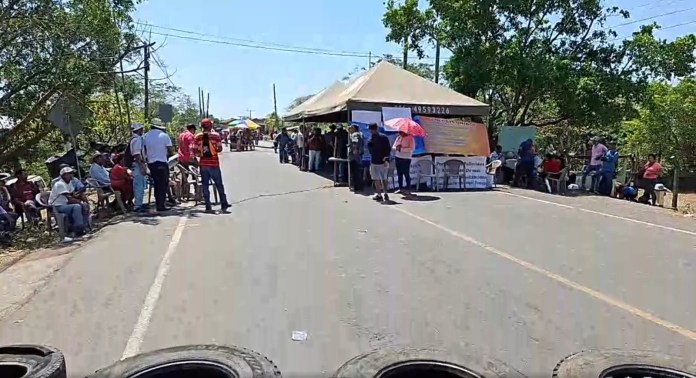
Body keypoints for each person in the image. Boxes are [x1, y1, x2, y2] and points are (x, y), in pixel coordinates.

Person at [195, 118, 230, 213]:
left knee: (205, 185)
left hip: (203, 164)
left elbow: (196, 151)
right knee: (219, 185)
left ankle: (208, 205)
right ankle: (224, 203)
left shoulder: (198, 136)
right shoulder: (215, 136)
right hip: (214, 164)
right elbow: (219, 149)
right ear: (210, 126)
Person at [143, 118, 175, 212]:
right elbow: (170, 149)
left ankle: (159, 203)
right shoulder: (164, 136)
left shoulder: (145, 136)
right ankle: (161, 205)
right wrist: (169, 155)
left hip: (151, 164)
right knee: (163, 184)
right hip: (162, 162)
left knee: (157, 184)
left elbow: (144, 150)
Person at [49, 167, 90, 237]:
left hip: (66, 204)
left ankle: (84, 226)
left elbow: (73, 194)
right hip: (58, 206)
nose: (71, 175)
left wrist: (81, 192)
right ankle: (78, 230)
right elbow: (70, 199)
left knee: (84, 205)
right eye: (69, 174)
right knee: (77, 207)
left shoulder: (69, 183)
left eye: (72, 173)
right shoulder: (60, 184)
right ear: (64, 175)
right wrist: (80, 202)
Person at [367, 123, 392, 202]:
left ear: (371, 129)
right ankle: (386, 193)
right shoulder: (384, 137)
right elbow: (388, 148)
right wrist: (386, 158)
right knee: (384, 178)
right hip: (384, 161)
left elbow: (371, 151)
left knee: (376, 179)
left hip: (375, 161)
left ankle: (379, 194)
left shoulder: (370, 140)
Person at [348, 124, 364, 192]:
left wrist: (355, 150)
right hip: (358, 156)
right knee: (358, 171)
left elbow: (355, 143)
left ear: (354, 129)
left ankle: (356, 187)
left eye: (351, 128)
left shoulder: (355, 134)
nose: (350, 129)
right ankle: (358, 186)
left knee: (354, 172)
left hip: (354, 157)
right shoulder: (360, 134)